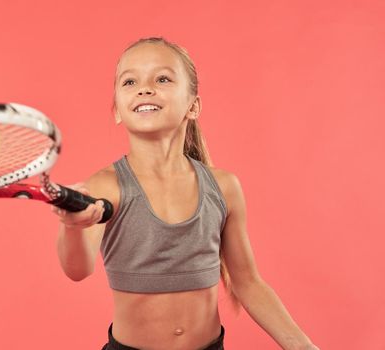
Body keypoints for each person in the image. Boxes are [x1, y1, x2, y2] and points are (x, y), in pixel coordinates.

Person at [53, 37, 319, 350]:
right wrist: (72, 227)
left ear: (193, 105)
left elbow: (248, 283)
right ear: (117, 111)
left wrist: (304, 347)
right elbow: (77, 270)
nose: (145, 88)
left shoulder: (223, 187)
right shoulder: (106, 186)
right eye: (129, 81)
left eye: (162, 78)